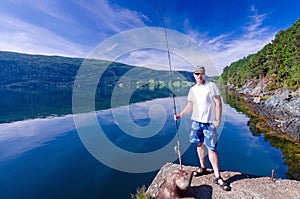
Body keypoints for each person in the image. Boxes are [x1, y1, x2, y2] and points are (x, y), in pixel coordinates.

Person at [174, 65, 230, 191]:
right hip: (196, 122)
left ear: (204, 74)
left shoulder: (211, 86)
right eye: (196, 73)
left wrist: (217, 119)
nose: (199, 76)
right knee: (199, 145)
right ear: (194, 75)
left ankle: (218, 177)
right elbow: (190, 104)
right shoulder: (193, 89)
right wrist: (180, 115)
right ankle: (203, 167)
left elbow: (218, 103)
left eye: (201, 73)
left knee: (211, 148)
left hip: (209, 123)